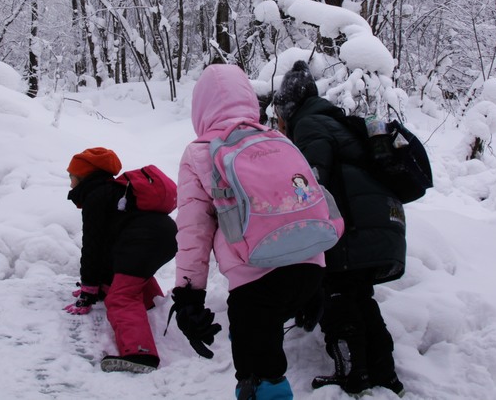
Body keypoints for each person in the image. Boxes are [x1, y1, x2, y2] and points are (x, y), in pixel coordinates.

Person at [170, 63, 325, 400]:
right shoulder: (278, 138)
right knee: (263, 360)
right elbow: (307, 202)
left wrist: (188, 297)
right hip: (309, 269)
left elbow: (193, 231)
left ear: (200, 107)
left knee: (260, 378)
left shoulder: (199, 153)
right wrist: (316, 281)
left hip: (256, 283)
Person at [273, 60, 406, 396]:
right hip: (378, 226)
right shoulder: (336, 122)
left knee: (337, 297)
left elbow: (311, 180)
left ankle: (353, 372)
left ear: (289, 107)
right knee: (360, 296)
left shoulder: (310, 125)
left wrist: (290, 208)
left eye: (280, 113)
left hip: (351, 231)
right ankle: (384, 373)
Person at [64, 146, 177, 374]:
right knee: (132, 278)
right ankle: (155, 309)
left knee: (122, 296)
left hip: (145, 238)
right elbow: (108, 248)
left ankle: (140, 354)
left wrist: (88, 289)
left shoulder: (97, 196)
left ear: (83, 177)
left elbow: (93, 246)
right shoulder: (112, 191)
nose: (70, 184)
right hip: (162, 235)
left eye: (72, 178)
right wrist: (98, 286)